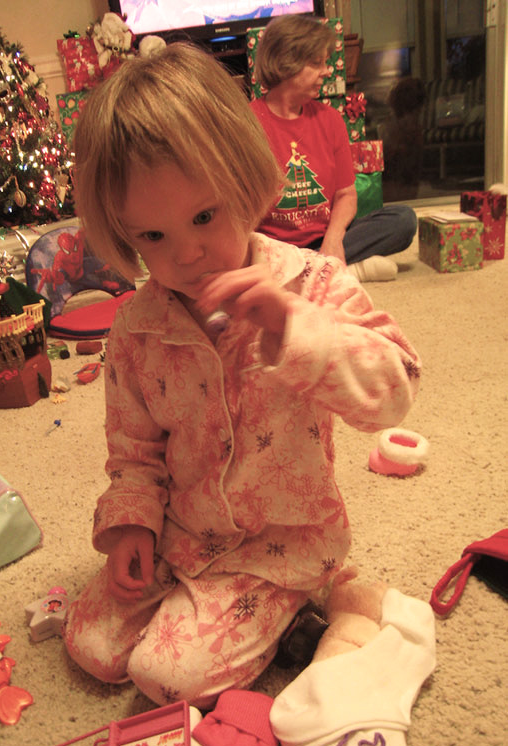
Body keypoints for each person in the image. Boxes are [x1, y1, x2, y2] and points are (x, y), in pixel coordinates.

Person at [63, 42, 421, 709]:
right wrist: (130, 525)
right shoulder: (135, 328)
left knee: (164, 676)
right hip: (185, 534)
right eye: (152, 237)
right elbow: (133, 454)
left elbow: (392, 388)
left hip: (280, 543)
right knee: (91, 644)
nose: (188, 253)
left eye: (203, 216)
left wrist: (292, 327)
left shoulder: (311, 283)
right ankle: (199, 605)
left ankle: (300, 603)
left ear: (244, 179)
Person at [250, 14, 418, 282]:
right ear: (286, 63)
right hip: (274, 247)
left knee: (404, 220)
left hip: (324, 234)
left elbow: (346, 195)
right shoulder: (246, 123)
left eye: (327, 62)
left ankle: (310, 270)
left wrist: (333, 238)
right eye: (317, 63)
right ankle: (344, 270)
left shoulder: (330, 119)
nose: (327, 71)